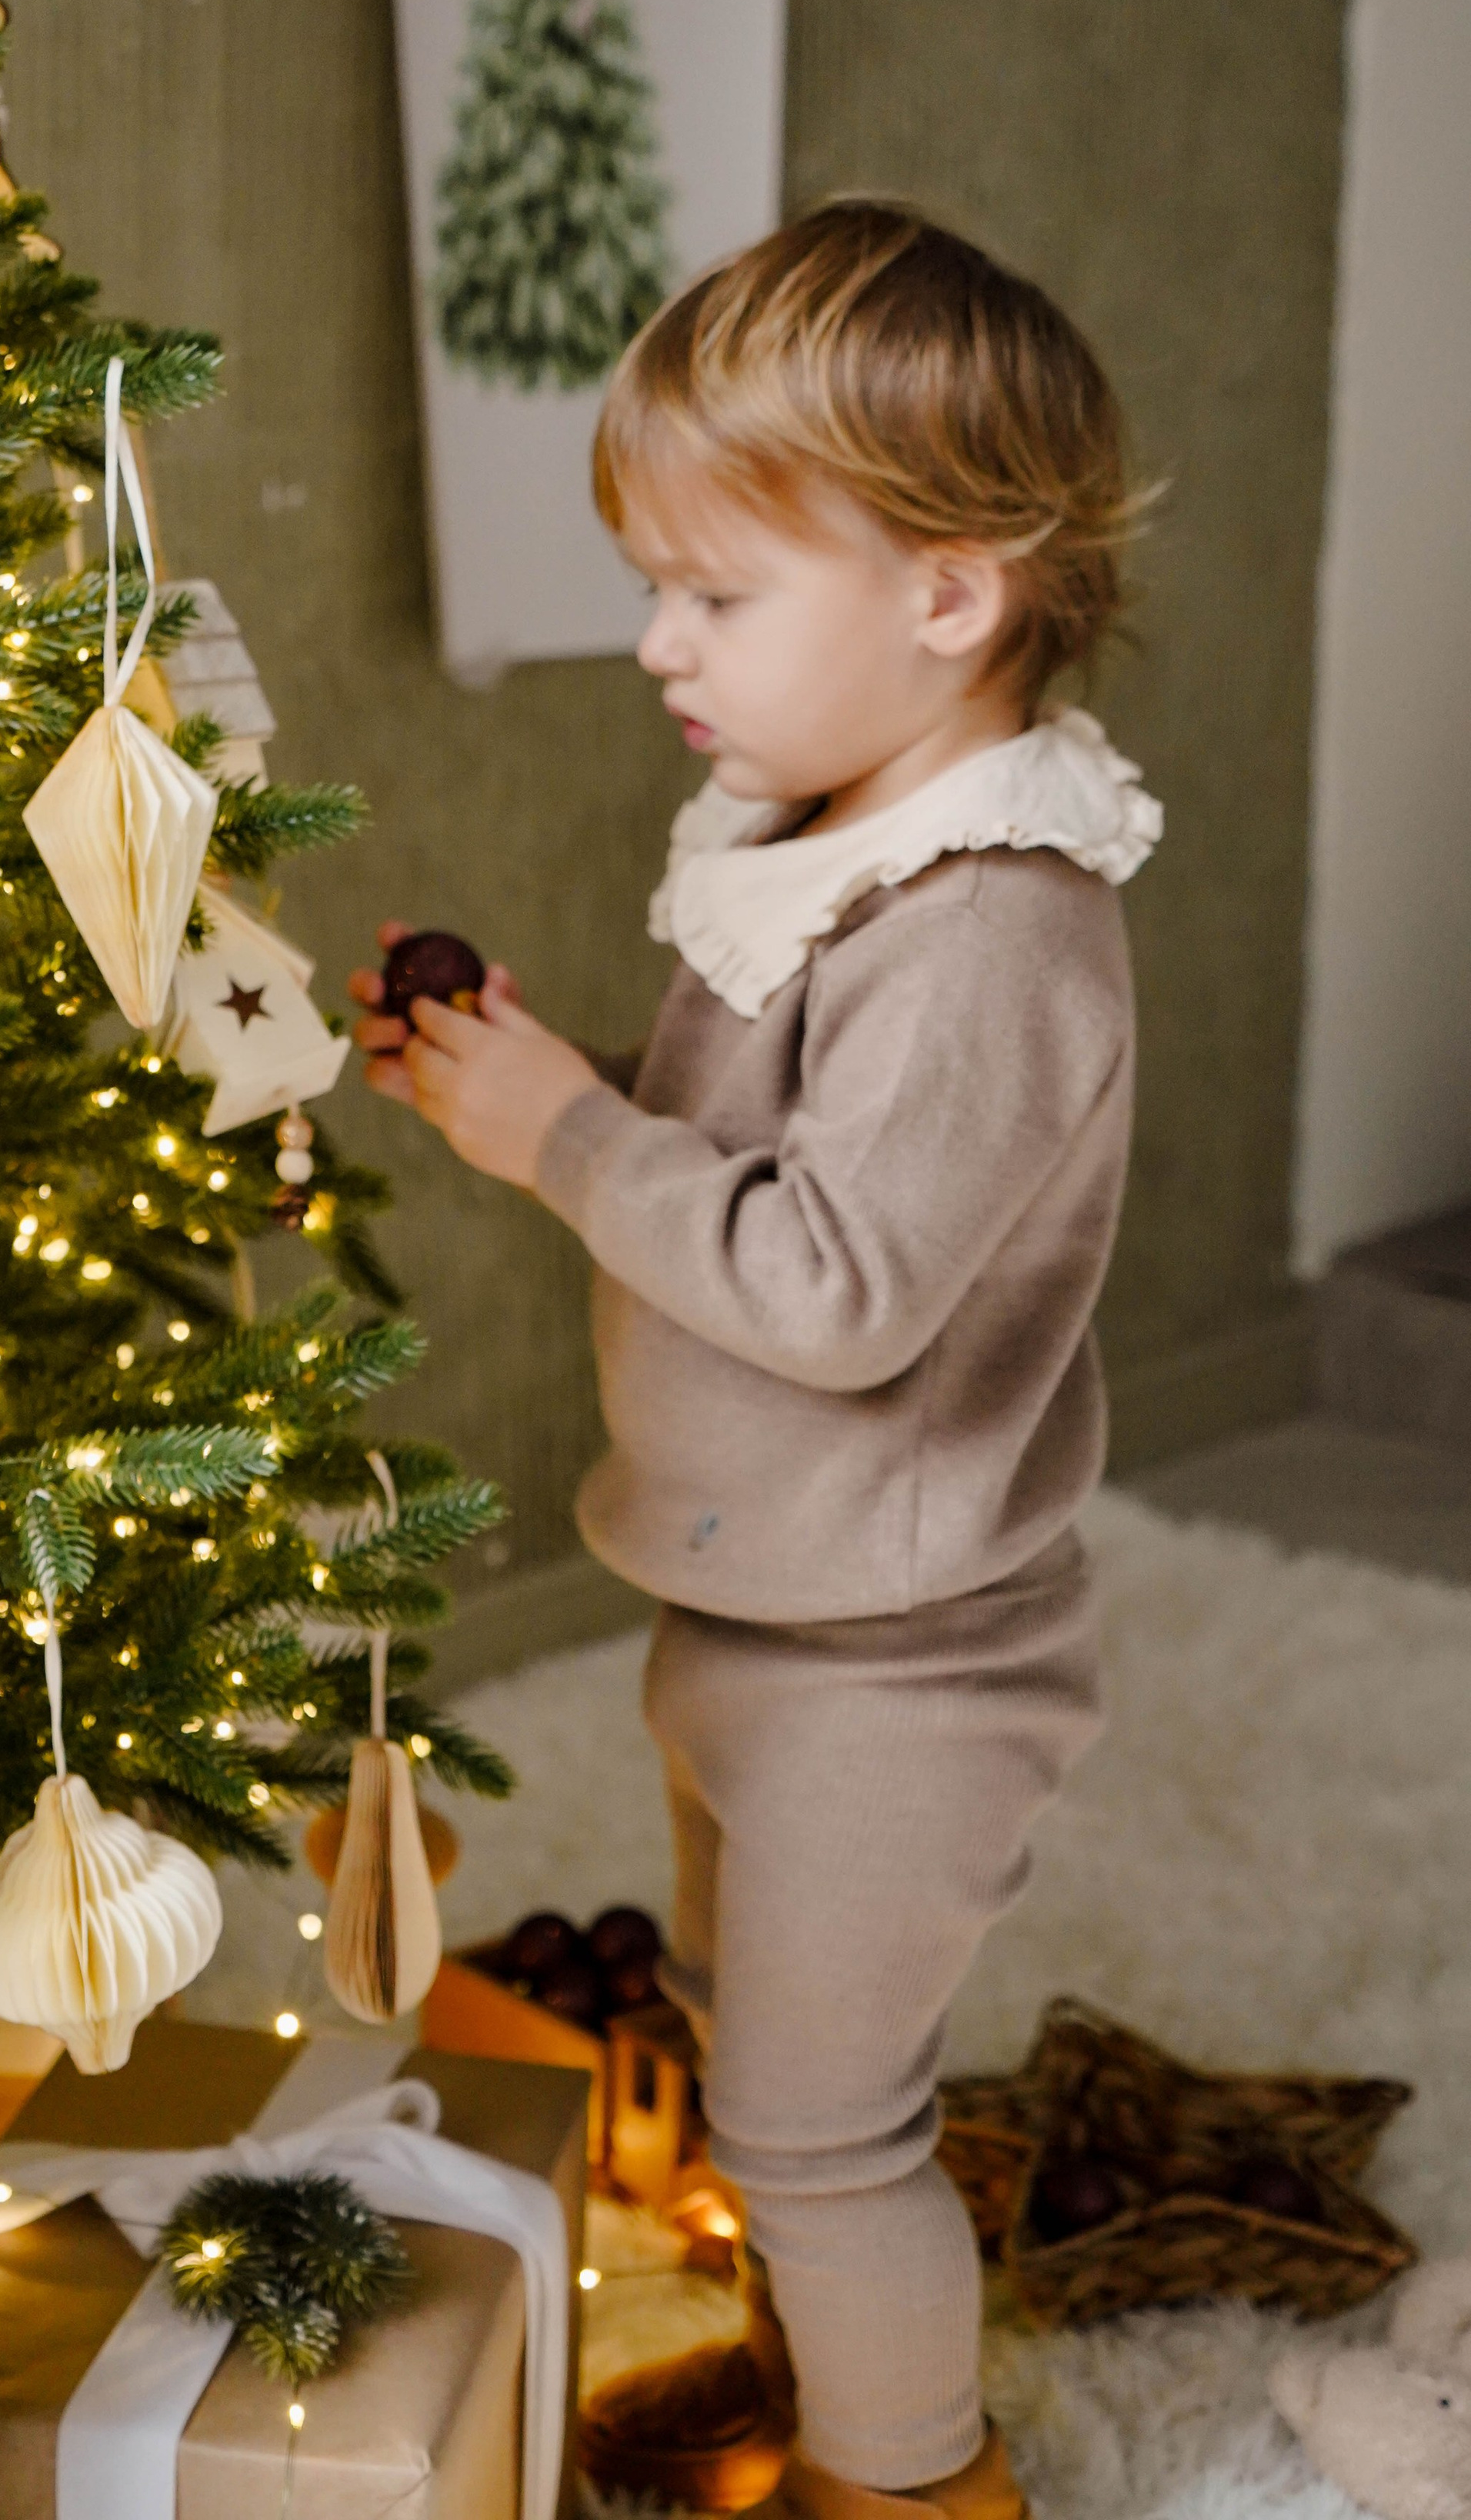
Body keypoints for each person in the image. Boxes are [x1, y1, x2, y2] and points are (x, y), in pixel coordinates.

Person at [352, 199, 1162, 2520]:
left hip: (904, 1667)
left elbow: (836, 1281)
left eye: (717, 592)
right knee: (736, 2051)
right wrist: (557, 1083)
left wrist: (575, 1137)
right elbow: (748, 1154)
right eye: (654, 584)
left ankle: (914, 2482)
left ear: (946, 591)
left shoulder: (994, 928)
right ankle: (818, 2378)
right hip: (761, 1611)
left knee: (827, 2127)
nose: (655, 644)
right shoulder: (816, 847)